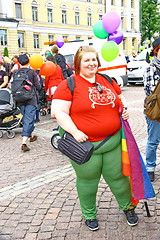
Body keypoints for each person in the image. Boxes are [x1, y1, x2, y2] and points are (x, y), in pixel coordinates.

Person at [51, 46, 138, 231]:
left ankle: (128, 207)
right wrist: (74, 132)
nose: (91, 64)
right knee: (88, 181)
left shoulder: (107, 79)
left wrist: (125, 111)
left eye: (94, 60)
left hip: (112, 141)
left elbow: (120, 100)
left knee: (119, 178)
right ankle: (89, 214)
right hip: (84, 145)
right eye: (87, 60)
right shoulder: (68, 85)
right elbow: (57, 112)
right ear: (78, 64)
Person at [13, 54, 41, 152]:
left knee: (27, 118)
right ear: (29, 61)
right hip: (30, 99)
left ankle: (31, 135)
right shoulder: (31, 72)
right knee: (29, 119)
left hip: (19, 99)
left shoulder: (15, 73)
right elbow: (38, 86)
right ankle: (24, 142)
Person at [143, 36, 160, 182]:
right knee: (153, 141)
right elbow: (149, 90)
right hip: (155, 110)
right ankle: (150, 168)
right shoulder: (150, 68)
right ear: (156, 51)